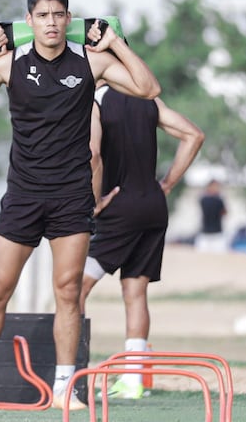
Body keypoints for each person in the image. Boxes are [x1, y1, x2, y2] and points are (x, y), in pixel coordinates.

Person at [0, 0, 161, 410]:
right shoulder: (10, 64)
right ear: (30, 21)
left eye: (59, 15)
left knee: (66, 291)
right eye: (42, 16)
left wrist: (115, 43)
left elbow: (147, 88)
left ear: (68, 19)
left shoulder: (91, 61)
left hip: (71, 196)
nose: (51, 23)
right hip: (23, 194)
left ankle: (65, 388)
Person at [79, 82, 205, 399]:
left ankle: (72, 374)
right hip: (152, 205)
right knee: (135, 291)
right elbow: (194, 135)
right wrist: (167, 184)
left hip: (119, 208)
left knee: (74, 288)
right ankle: (133, 381)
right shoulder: (148, 98)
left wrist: (93, 204)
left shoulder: (96, 99)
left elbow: (93, 155)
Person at [195, 179, 227, 252]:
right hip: (205, 234)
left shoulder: (204, 198)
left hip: (217, 234)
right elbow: (224, 212)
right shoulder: (216, 199)